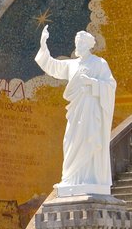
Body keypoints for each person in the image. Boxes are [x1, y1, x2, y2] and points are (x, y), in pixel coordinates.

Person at [34, 25, 117, 197]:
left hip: (92, 111)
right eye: (76, 43)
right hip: (76, 111)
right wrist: (44, 46)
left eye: (80, 44)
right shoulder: (71, 65)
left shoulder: (99, 63)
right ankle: (71, 179)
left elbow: (110, 86)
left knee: (89, 140)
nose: (77, 46)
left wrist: (92, 83)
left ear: (88, 45)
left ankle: (89, 179)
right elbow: (52, 66)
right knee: (70, 141)